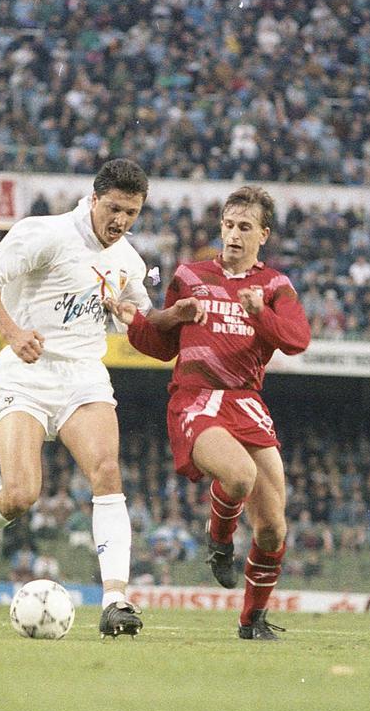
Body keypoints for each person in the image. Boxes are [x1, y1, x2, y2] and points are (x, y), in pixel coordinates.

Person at [0, 158, 154, 638]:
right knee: (22, 494)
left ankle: (115, 600)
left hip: (83, 374)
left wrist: (140, 317)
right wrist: (12, 332)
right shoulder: (45, 234)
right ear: (93, 198)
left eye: (131, 212)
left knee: (107, 472)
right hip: (25, 372)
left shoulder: (129, 260)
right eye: (114, 209)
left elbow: (144, 319)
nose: (121, 222)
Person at [110, 185, 310, 640]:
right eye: (228, 225)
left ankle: (251, 621)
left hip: (247, 401)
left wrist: (260, 314)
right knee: (239, 476)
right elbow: (162, 347)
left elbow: (297, 340)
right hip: (197, 396)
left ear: (264, 234)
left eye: (244, 227)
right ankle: (219, 538)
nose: (233, 235)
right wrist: (137, 322)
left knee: (274, 529)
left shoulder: (275, 286)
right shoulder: (189, 275)